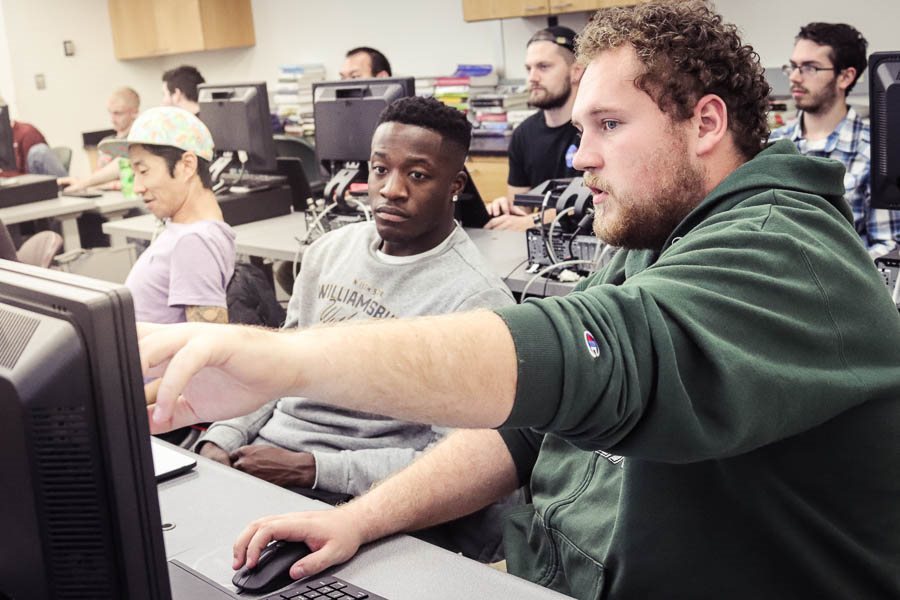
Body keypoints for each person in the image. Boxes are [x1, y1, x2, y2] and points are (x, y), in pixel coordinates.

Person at [139, 2, 900, 598]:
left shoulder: (785, 248)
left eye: (608, 125)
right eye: (580, 127)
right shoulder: (650, 229)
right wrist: (356, 520)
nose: (581, 155)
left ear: (705, 123)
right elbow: (528, 430)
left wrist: (284, 359)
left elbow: (592, 352)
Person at [195, 96, 514, 511]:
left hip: (352, 495)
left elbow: (454, 464)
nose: (391, 190)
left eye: (417, 175)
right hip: (255, 460)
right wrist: (221, 437)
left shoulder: (476, 302)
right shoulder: (327, 252)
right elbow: (273, 370)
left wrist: (312, 469)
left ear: (455, 186)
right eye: (380, 169)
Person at [770, 23, 900, 258]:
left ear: (845, 77)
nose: (795, 77)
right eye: (793, 66)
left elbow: (887, 247)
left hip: (846, 289)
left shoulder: (876, 153)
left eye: (810, 68)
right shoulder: (772, 146)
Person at [99, 106, 235, 325]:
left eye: (143, 171)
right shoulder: (184, 232)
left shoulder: (195, 242)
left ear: (187, 166)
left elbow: (208, 347)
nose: (138, 187)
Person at [485, 26, 584, 231]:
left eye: (543, 67)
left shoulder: (593, 128)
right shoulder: (523, 134)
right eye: (528, 69)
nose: (532, 78)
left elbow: (593, 203)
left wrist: (532, 221)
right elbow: (521, 209)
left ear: (576, 71)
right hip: (536, 246)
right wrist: (506, 210)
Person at [61, 87, 141, 192]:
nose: (112, 119)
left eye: (118, 113)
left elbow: (128, 184)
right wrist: (82, 183)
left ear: (134, 113)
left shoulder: (137, 142)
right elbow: (97, 177)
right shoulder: (107, 142)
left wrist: (84, 184)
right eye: (110, 112)